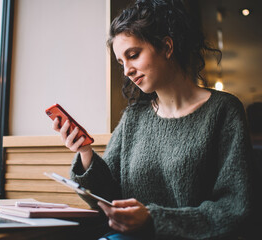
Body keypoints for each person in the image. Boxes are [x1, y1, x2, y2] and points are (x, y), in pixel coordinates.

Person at [52, 0, 256, 239]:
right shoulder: (134, 118)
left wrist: (152, 219)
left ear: (167, 47)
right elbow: (108, 198)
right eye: (121, 63)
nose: (127, 70)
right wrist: (85, 152)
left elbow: (235, 208)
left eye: (133, 55)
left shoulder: (223, 110)